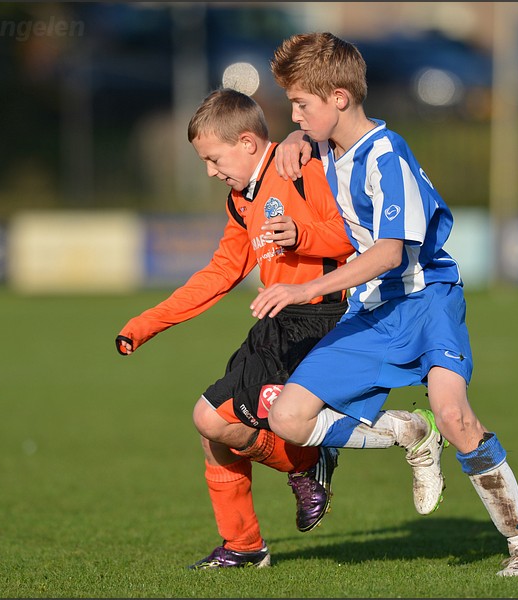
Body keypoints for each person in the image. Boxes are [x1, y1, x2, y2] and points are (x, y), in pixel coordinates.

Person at [249, 32, 518, 577]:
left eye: (302, 103)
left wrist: (304, 289)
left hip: (426, 298)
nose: (294, 113)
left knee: (455, 413)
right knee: (288, 417)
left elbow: (391, 253)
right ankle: (405, 431)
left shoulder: (385, 154)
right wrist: (297, 141)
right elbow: (306, 151)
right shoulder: (324, 147)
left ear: (340, 98)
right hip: (373, 311)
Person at [115, 88, 356, 569]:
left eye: (213, 158)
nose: (210, 170)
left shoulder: (300, 168)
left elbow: (356, 234)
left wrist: (302, 234)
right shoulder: (241, 201)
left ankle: (306, 462)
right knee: (213, 427)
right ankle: (244, 546)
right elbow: (219, 274)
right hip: (276, 322)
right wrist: (146, 324)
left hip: (320, 318)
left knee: (212, 418)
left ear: (247, 143)